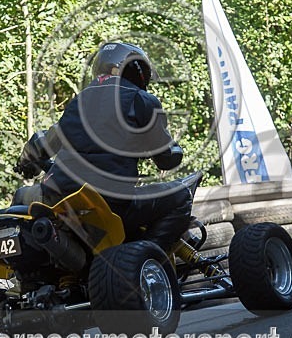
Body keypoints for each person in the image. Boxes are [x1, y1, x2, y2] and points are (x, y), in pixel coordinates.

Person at [14, 42, 193, 253]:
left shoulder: (79, 100)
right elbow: (166, 159)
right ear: (138, 71)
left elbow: (43, 143)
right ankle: (149, 258)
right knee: (182, 195)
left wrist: (27, 162)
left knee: (22, 196)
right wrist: (175, 150)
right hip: (109, 203)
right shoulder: (141, 99)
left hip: (59, 196)